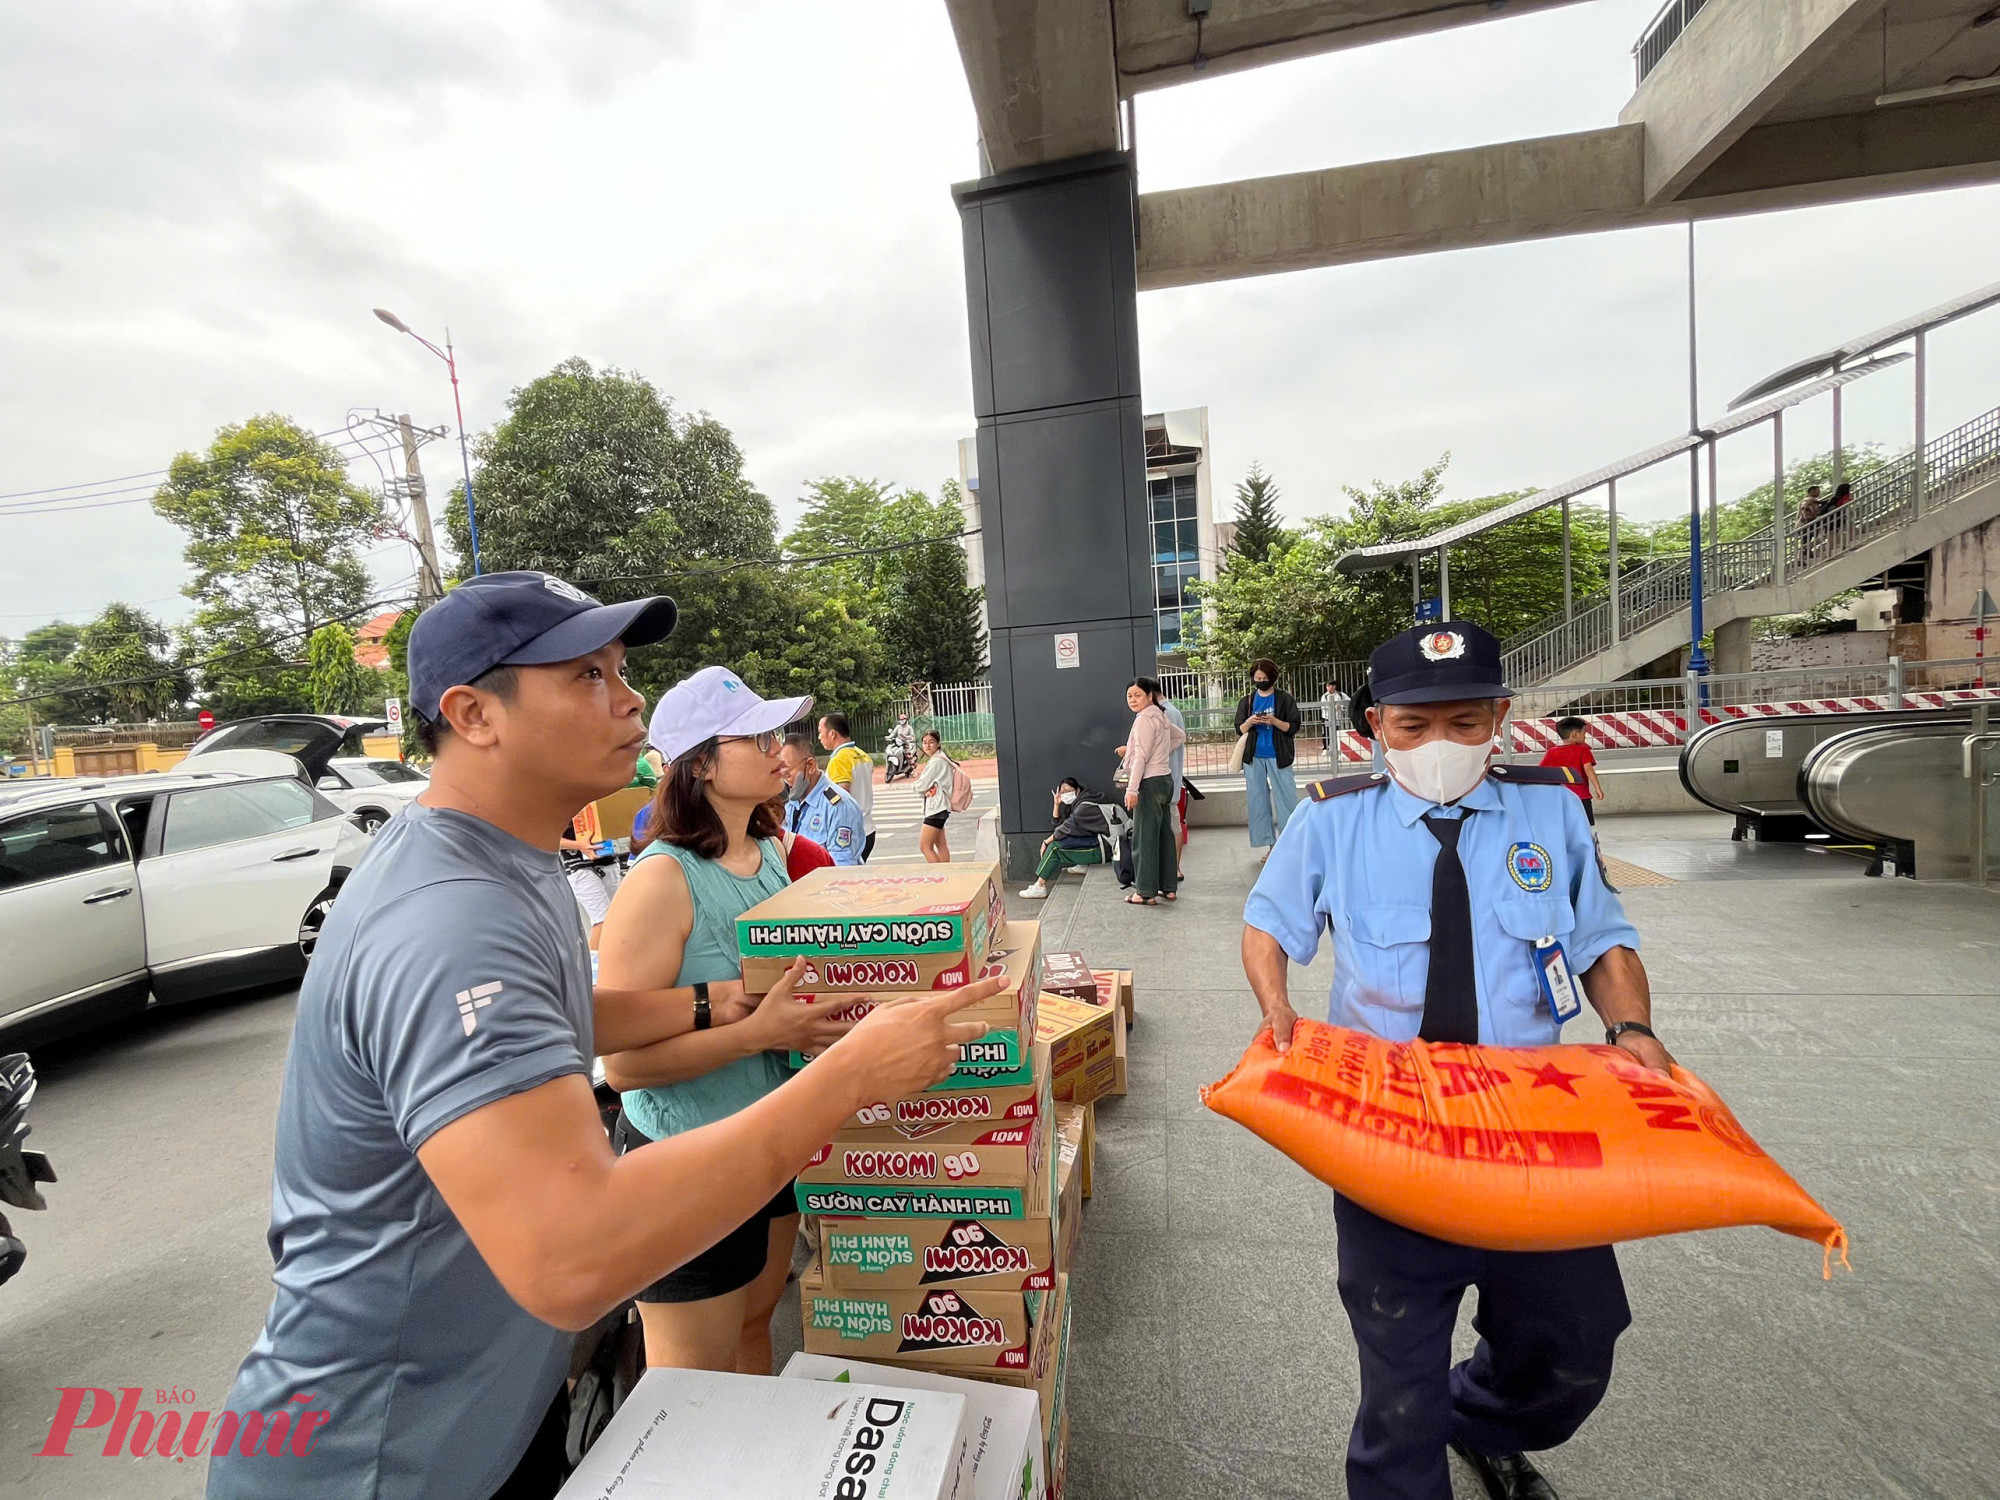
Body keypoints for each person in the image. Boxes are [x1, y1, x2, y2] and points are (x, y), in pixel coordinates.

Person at [208, 573, 996, 1500]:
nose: (629, 701)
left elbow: (557, 1017)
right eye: (587, 675)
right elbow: (572, 1256)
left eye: (621, 670)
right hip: (381, 1458)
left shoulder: (507, 859)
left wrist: (718, 1005)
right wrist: (850, 1078)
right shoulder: (452, 918)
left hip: (481, 1416)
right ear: (474, 714)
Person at [1241, 619, 1669, 1500]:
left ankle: (1479, 1420)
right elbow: (1268, 923)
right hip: (1391, 1124)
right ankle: (1413, 1452)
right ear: (1375, 726)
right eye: (1415, 726)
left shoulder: (1548, 809)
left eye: (1465, 724)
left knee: (1576, 1339)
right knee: (1397, 1377)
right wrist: (1276, 1004)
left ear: (1500, 718)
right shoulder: (1333, 819)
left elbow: (1602, 938)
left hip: (1530, 1120)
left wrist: (1630, 1032)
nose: (1441, 744)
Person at [598, 670, 858, 1375]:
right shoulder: (660, 881)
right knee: (691, 1385)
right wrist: (761, 1033)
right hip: (683, 1163)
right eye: (757, 737)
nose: (782, 749)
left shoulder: (770, 854)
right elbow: (621, 1068)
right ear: (702, 763)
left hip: (768, 1142)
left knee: (754, 1325)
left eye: (778, 733)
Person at [1121, 677, 1184, 906]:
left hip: (1149, 782)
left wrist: (1132, 789)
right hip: (1165, 780)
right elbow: (1180, 737)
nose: (1133, 700)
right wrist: (1162, 753)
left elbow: (1141, 758)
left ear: (1150, 696)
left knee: (1144, 838)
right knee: (1164, 835)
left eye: (1138, 695)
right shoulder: (1161, 715)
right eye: (1129, 696)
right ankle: (1168, 887)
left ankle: (1144, 892)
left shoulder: (1145, 719)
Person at [1236, 658, 1301, 860]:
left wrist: (1274, 721)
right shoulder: (1247, 701)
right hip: (1254, 757)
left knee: (1287, 799)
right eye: (1257, 678)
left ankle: (1290, 843)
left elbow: (1293, 727)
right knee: (1257, 800)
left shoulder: (1284, 699)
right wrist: (1250, 721)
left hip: (1278, 754)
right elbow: (1239, 728)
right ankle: (1271, 846)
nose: (1261, 681)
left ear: (1272, 678)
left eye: (1264, 678)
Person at [777, 733, 866, 865]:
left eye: (787, 774)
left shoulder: (838, 806)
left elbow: (842, 865)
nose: (783, 782)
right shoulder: (791, 801)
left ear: (811, 766)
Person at [1018, 777, 1109, 899]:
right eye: (1062, 791)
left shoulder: (1084, 807)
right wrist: (1056, 804)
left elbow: (1065, 828)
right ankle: (1083, 864)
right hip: (1095, 843)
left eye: (1068, 790)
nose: (1065, 794)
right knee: (1060, 840)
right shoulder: (1078, 804)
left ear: (1077, 790)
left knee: (1054, 849)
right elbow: (1059, 826)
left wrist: (1046, 842)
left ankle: (1039, 886)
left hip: (1103, 849)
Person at [818, 711, 877, 860]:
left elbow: (840, 800)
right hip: (868, 828)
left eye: (820, 732)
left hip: (849, 834)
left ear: (832, 734)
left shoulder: (839, 760)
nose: (819, 737)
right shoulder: (863, 755)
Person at [558, 818, 622, 949]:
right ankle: (593, 966)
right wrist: (578, 845)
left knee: (618, 919)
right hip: (579, 865)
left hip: (607, 858)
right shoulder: (557, 802)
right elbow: (548, 838)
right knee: (602, 921)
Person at [1539, 716, 1605, 825]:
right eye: (1584, 733)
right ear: (1574, 734)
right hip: (1581, 797)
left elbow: (1542, 772)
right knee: (1584, 825)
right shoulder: (1583, 750)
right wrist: (1597, 788)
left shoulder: (1552, 752)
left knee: (1564, 824)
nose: (1585, 736)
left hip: (1561, 797)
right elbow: (1588, 769)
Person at [913, 729, 957, 862]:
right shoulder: (941, 758)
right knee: (941, 844)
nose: (927, 745)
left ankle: (941, 874)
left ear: (938, 743)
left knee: (925, 847)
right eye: (925, 742)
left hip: (936, 808)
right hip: (941, 807)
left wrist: (915, 786)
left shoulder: (936, 762)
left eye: (931, 742)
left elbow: (921, 785)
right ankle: (947, 874)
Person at [1320, 680, 1350, 756]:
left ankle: (1337, 748)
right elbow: (1323, 706)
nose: (1328, 687)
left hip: (1337, 718)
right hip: (1327, 717)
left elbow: (1348, 701)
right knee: (1326, 734)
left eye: (1329, 685)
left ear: (1334, 686)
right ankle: (1326, 748)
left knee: (1338, 733)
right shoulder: (1325, 696)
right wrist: (1333, 706)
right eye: (1327, 686)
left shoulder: (1340, 695)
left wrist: (1341, 707)